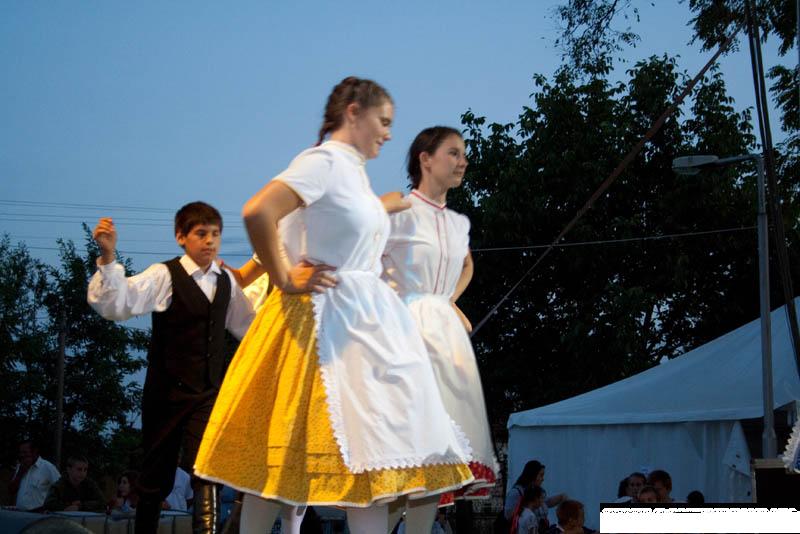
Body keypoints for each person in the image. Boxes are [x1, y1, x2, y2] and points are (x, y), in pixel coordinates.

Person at [192, 76, 473, 534]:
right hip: (320, 324)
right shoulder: (322, 161)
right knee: (286, 468)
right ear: (354, 113)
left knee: (369, 461)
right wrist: (284, 275)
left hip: (362, 326)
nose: (388, 134)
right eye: (384, 121)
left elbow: (344, 228)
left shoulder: (353, 173)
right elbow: (258, 210)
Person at [87, 201, 255, 533]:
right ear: (181, 236)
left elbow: (251, 327)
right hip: (165, 395)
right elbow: (118, 303)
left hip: (207, 394)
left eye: (216, 234)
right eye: (201, 233)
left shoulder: (226, 281)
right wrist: (108, 257)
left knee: (206, 469)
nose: (210, 241)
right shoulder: (164, 275)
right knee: (155, 479)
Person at [381, 126, 499, 506]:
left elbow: (467, 264)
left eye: (463, 154)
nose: (462, 161)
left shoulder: (457, 223)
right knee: (409, 451)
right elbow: (366, 264)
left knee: (442, 454)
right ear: (426, 159)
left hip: (445, 333)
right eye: (453, 152)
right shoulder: (400, 212)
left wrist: (447, 301)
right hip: (405, 329)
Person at [504, 461, 567, 525]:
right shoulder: (516, 492)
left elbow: (546, 502)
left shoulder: (536, 491)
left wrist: (561, 497)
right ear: (533, 475)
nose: (543, 479)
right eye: (541, 475)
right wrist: (527, 510)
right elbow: (508, 515)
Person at [8, 439, 61, 511]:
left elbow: (60, 489)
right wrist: (20, 472)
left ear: (35, 451)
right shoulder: (20, 467)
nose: (22, 455)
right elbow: (11, 491)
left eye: (25, 452)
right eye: (20, 452)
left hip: (38, 515)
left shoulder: (48, 467)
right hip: (19, 514)